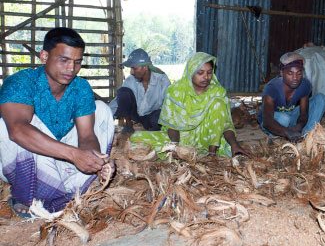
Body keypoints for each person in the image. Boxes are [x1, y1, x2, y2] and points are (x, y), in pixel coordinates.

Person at [0, 27, 115, 216]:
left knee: (102, 109)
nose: (71, 69)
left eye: (77, 62)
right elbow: (17, 130)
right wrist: (74, 155)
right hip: (24, 160)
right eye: (64, 60)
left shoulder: (80, 87)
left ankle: (64, 189)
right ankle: (27, 196)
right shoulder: (21, 83)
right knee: (9, 125)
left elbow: (86, 136)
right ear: (44, 56)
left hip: (63, 159)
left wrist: (95, 160)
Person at [131, 52, 249, 157]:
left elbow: (226, 125)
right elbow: (172, 125)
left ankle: (211, 154)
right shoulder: (176, 91)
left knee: (218, 104)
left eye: (209, 72)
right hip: (181, 137)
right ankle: (185, 152)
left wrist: (234, 144)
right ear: (190, 71)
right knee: (136, 138)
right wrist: (176, 147)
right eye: (200, 73)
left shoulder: (218, 92)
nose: (206, 77)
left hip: (209, 138)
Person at [258, 52, 325, 142]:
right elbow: (267, 121)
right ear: (282, 73)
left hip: (290, 116)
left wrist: (299, 126)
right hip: (273, 121)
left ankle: (306, 135)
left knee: (321, 99)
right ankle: (277, 136)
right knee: (284, 118)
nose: (295, 78)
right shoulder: (272, 88)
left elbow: (303, 113)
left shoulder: (305, 85)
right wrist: (287, 132)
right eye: (290, 73)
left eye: (299, 73)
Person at [109, 48, 170, 133]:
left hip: (150, 117)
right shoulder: (130, 80)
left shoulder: (162, 80)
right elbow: (117, 102)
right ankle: (129, 125)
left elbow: (169, 104)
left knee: (158, 117)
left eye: (134, 68)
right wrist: (105, 117)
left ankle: (150, 132)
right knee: (123, 92)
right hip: (134, 116)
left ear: (145, 67)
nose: (131, 72)